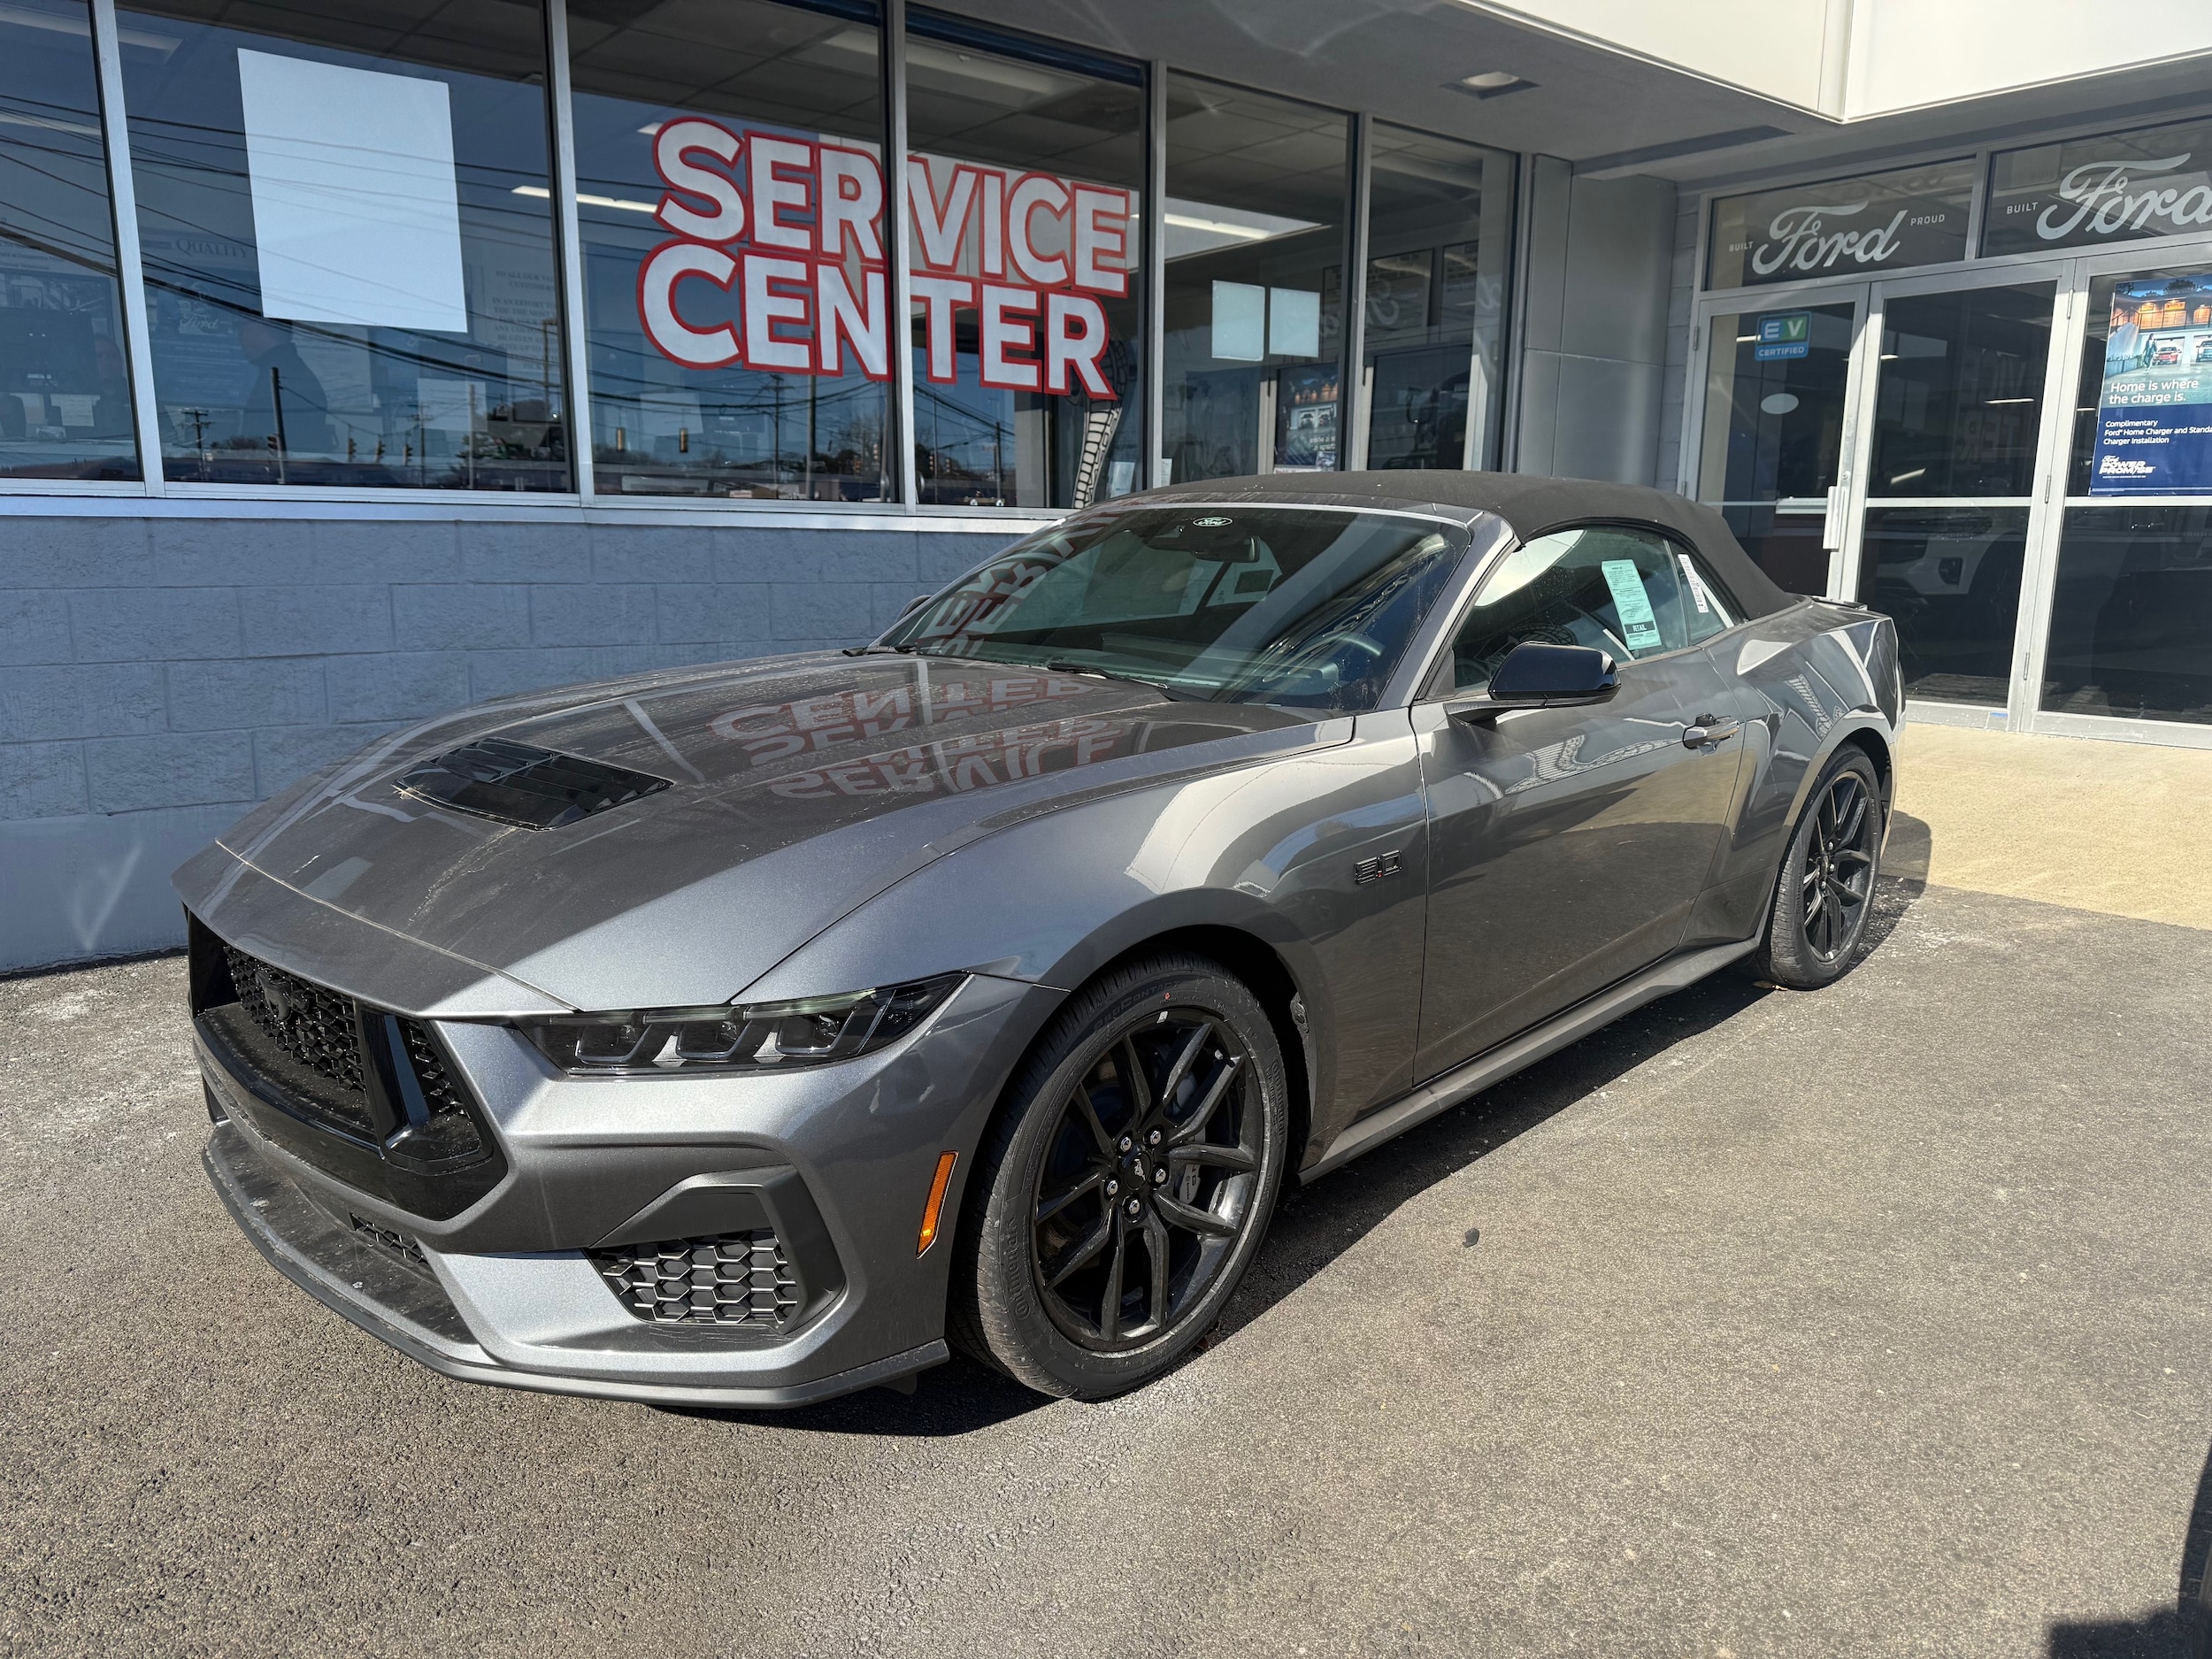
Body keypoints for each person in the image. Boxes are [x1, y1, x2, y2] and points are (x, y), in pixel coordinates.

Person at [236, 316, 334, 456]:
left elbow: (264, 433)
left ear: (261, 328)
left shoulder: (280, 373)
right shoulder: (287, 367)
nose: (240, 336)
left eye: (241, 328)